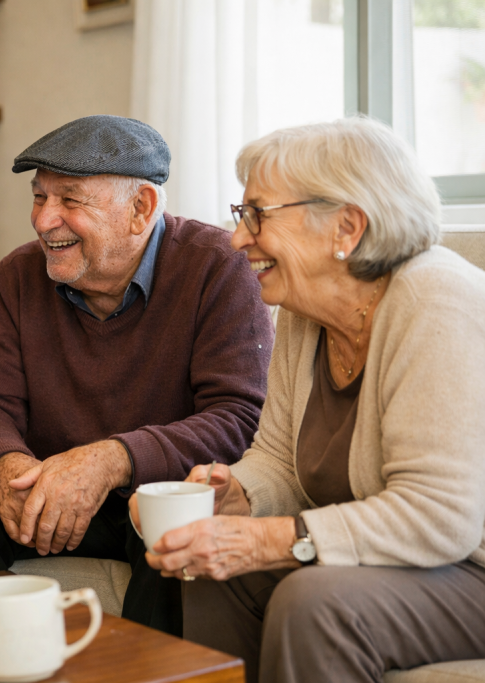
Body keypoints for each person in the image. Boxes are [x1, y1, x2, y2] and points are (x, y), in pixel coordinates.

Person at [136, 117, 485, 683]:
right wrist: (236, 496)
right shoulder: (304, 313)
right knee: (206, 567)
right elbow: (278, 458)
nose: (237, 237)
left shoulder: (437, 303)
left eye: (258, 215)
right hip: (408, 561)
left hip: (469, 566)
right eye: (239, 214)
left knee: (314, 602)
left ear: (346, 226)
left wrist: (273, 540)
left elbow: (440, 516)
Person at [0, 115, 274, 634]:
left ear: (140, 208)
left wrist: (111, 461)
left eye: (70, 201)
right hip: (45, 496)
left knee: (179, 512)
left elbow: (239, 420)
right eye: (39, 197)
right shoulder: (18, 275)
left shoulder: (217, 266)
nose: (44, 220)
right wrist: (6, 468)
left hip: (154, 492)